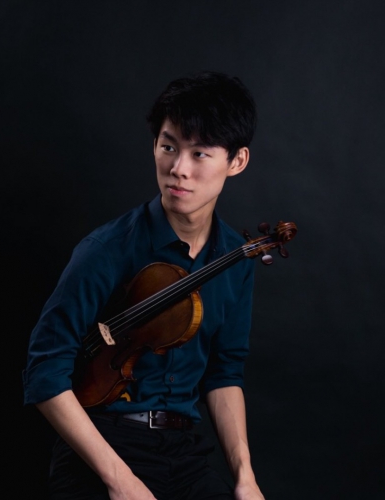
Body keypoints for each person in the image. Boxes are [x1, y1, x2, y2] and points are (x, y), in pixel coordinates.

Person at [23, 71, 265, 500]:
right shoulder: (107, 249)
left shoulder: (235, 257)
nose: (178, 169)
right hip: (103, 447)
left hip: (184, 454)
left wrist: (246, 478)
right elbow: (44, 370)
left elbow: (224, 372)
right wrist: (121, 481)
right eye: (168, 147)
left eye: (200, 153)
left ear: (237, 161)